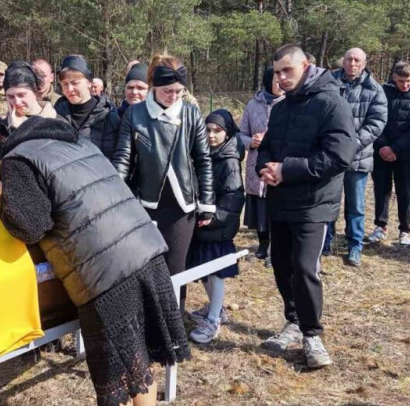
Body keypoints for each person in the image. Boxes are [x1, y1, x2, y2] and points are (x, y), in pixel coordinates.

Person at [0, 89, 189, 406]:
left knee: (114, 378)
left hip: (106, 271)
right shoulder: (73, 141)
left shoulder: (16, 159)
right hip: (146, 250)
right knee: (140, 360)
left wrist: (2, 197)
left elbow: (30, 225)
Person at [256, 44, 355, 368]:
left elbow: (339, 156)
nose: (281, 78)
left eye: (288, 71)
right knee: (281, 265)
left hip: (314, 203)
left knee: (304, 266)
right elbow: (267, 146)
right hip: (280, 200)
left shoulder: (331, 102)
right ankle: (293, 322)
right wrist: (265, 168)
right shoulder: (282, 108)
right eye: (277, 72)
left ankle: (312, 335)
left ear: (306, 65)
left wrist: (288, 169)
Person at [112, 53, 215, 307]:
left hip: (182, 207)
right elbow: (123, 160)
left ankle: (174, 326)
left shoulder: (191, 115)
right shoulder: (134, 115)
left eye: (179, 91)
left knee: (176, 269)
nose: (174, 96)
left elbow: (203, 161)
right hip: (146, 202)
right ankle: (149, 321)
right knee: (145, 265)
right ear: (154, 87)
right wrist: (115, 201)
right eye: (168, 90)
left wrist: (207, 202)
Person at [186, 109, 244, 344]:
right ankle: (215, 308)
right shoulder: (206, 154)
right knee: (203, 270)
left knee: (216, 272)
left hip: (218, 227)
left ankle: (214, 319)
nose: (211, 135)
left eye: (217, 131)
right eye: (208, 130)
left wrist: (215, 217)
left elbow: (233, 196)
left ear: (227, 133)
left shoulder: (229, 161)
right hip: (204, 223)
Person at [325, 47, 387, 266]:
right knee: (328, 201)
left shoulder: (374, 89)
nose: (352, 63)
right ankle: (326, 242)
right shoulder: (328, 82)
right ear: (343, 61)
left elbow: (377, 122)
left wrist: (352, 145)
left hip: (358, 157)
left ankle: (354, 246)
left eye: (357, 60)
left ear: (364, 63)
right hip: (330, 156)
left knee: (356, 206)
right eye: (349, 59)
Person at [366, 62, 410, 246]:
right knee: (382, 190)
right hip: (381, 152)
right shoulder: (381, 92)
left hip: (407, 155)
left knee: (406, 192)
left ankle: (405, 230)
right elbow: (374, 120)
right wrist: (384, 146)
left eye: (408, 80)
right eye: (401, 81)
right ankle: (380, 226)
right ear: (394, 77)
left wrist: (396, 148)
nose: (405, 85)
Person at [239, 66, 284, 262]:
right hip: (256, 164)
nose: (281, 83)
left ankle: (277, 248)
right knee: (260, 208)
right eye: (276, 80)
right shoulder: (252, 105)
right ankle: (263, 243)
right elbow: (240, 135)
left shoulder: (290, 102)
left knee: (277, 207)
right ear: (268, 82)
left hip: (279, 165)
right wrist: (251, 142)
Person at [55, 55, 120, 158]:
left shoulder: (107, 115)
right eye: (64, 84)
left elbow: (113, 157)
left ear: (89, 83)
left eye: (75, 83)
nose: (69, 89)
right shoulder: (56, 114)